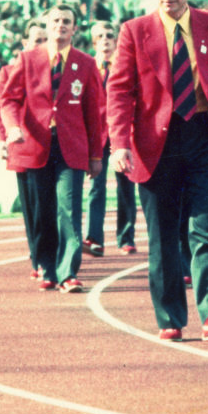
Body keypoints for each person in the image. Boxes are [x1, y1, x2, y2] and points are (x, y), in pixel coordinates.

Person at [106, 0, 208, 343]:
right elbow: (120, 91)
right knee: (163, 237)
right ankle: (170, 316)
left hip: (206, 137)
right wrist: (119, 143)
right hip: (156, 145)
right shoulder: (134, 31)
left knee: (207, 228)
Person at [0, 3, 105, 292]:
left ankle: (68, 272)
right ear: (47, 26)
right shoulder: (27, 59)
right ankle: (47, 267)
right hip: (36, 145)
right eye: (56, 20)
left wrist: (96, 154)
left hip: (71, 147)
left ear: (75, 28)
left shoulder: (85, 63)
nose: (61, 25)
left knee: (69, 209)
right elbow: (8, 100)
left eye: (66, 21)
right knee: (43, 211)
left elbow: (93, 112)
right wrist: (13, 127)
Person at [0, 17, 48, 280]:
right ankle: (39, 258)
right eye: (36, 41)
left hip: (53, 146)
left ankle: (54, 256)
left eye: (45, 41)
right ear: (25, 43)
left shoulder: (58, 69)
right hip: (24, 146)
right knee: (33, 207)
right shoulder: (9, 71)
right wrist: (2, 140)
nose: (41, 46)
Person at [84, 20, 138, 257]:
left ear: (116, 40)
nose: (105, 40)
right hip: (97, 135)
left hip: (122, 134)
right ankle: (94, 238)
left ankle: (126, 238)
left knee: (126, 186)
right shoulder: (87, 68)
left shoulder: (125, 65)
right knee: (95, 187)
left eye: (109, 35)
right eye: (99, 36)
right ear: (93, 42)